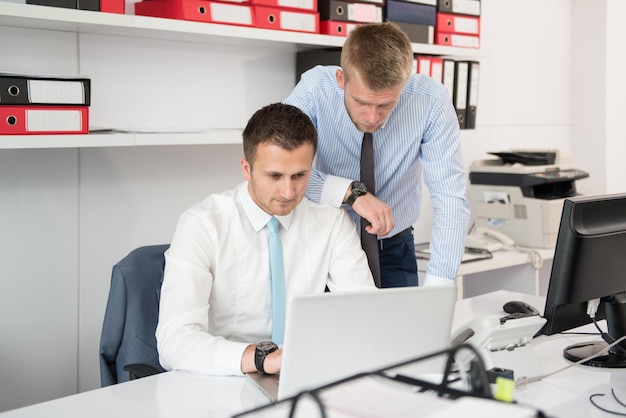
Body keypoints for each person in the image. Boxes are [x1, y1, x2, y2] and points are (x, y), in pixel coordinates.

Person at [156, 103, 375, 377]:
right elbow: (173, 342)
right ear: (246, 169)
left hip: (302, 376)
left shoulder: (331, 223)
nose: (287, 191)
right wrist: (260, 359)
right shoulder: (202, 224)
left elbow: (364, 315)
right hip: (221, 378)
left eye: (299, 175)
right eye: (274, 176)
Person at [284, 22, 471, 288]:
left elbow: (450, 196)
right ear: (341, 80)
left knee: (403, 329)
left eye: (385, 104)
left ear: (403, 85)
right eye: (361, 102)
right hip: (323, 245)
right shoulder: (316, 89)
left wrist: (438, 289)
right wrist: (351, 192)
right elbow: (278, 165)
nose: (372, 118)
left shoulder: (431, 101)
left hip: (394, 248)